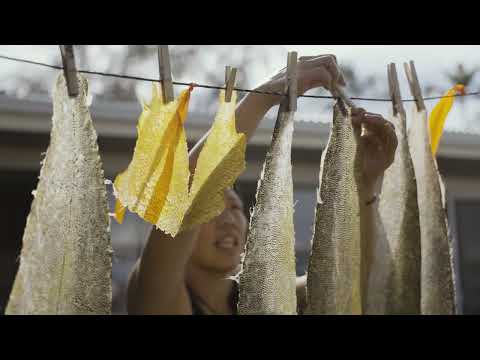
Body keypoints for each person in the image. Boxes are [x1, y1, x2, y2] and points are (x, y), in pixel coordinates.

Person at [126, 54, 398, 315]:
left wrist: (364, 183)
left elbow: (348, 283)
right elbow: (186, 201)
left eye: (234, 207)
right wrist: (262, 96)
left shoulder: (269, 301)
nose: (228, 219)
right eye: (214, 208)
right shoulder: (155, 296)